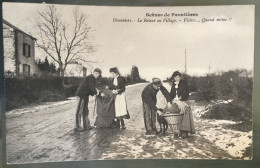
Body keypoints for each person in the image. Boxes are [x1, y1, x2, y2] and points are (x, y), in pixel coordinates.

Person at [170, 71, 196, 138]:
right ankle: (177, 131)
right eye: (175, 77)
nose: (177, 78)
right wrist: (171, 99)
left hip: (184, 100)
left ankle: (185, 131)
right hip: (176, 101)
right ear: (174, 78)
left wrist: (181, 97)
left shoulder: (184, 83)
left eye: (178, 77)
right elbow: (171, 93)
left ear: (180, 77)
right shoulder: (173, 84)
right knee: (175, 114)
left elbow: (186, 93)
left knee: (185, 114)